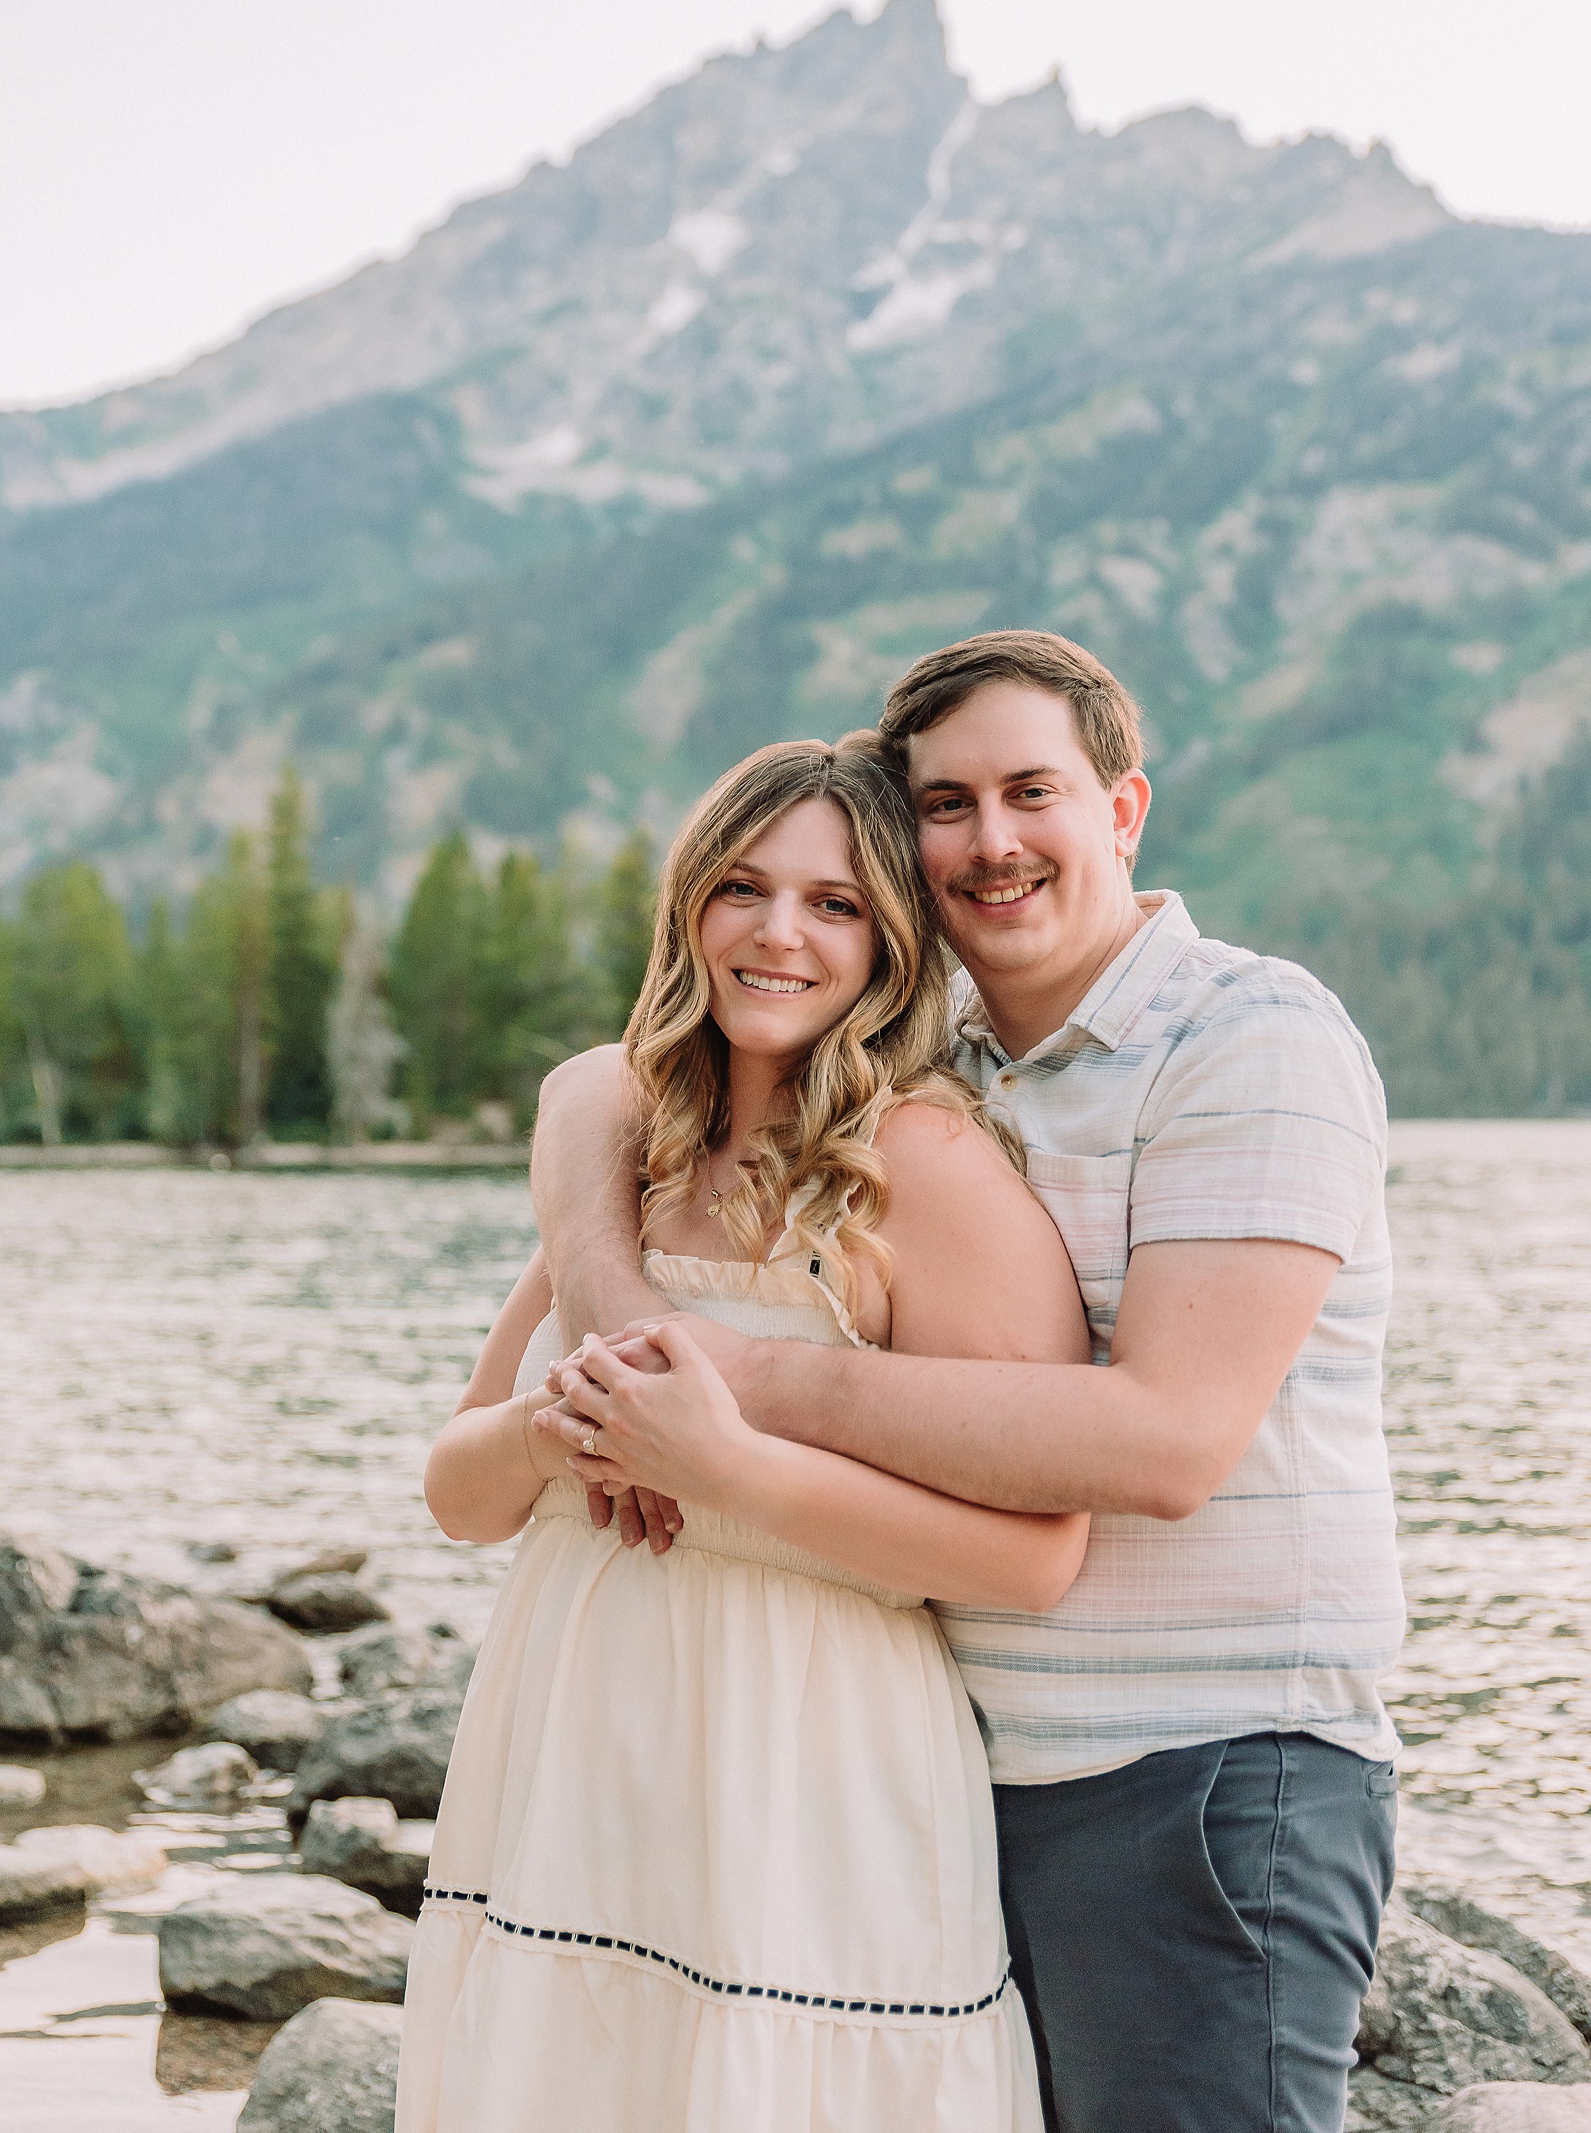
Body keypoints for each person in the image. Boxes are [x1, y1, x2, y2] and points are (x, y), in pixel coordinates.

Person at [536, 630, 1405, 2133]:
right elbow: (600, 1084)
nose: (992, 841)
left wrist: (737, 1387)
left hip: (1204, 1772)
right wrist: (614, 1305)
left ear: (1122, 810)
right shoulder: (929, 1055)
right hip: (955, 1760)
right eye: (946, 804)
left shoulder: (1247, 1039)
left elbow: (1167, 1442)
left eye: (1030, 792)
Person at [396, 732, 1094, 2133]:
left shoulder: (923, 1167)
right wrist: (559, 1429)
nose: (780, 933)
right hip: (571, 1757)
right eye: (743, 888)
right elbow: (459, 1493)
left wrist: (724, 1468)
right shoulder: (632, 1155)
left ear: (890, 942)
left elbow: (1034, 1558)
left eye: (835, 904)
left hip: (807, 1773)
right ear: (689, 907)